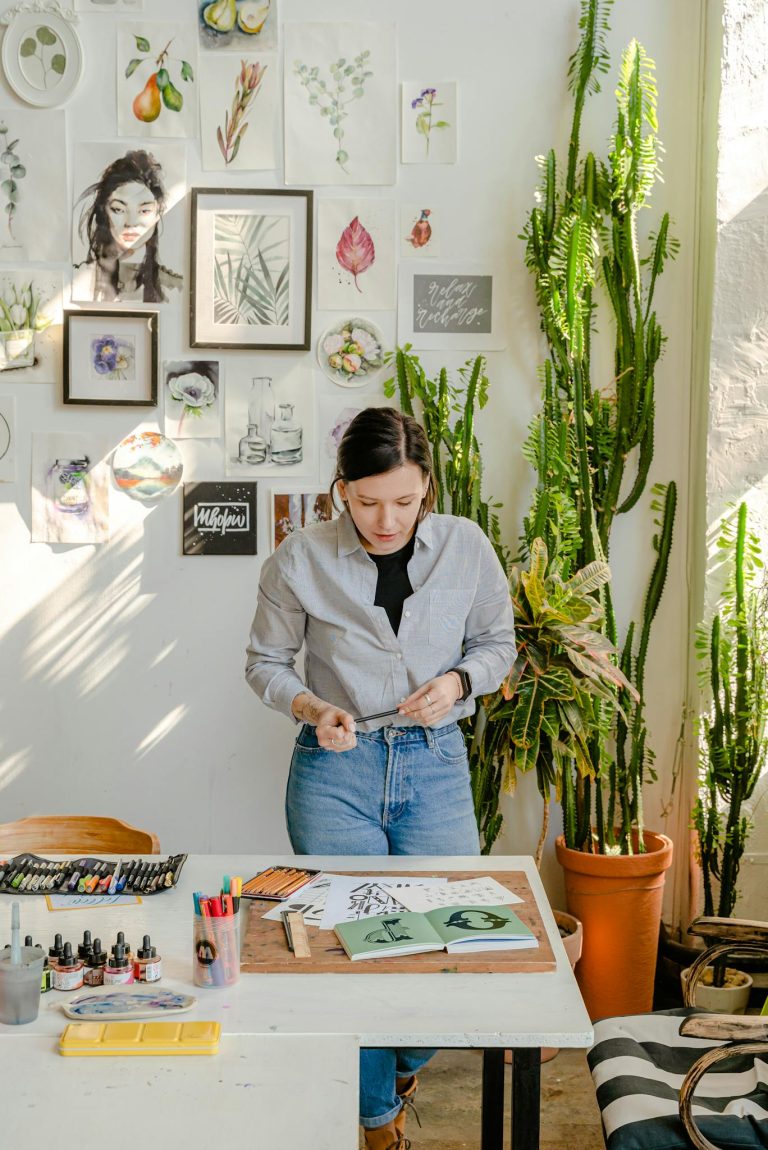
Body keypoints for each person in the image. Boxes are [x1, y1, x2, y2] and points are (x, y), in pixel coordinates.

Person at [245, 406, 516, 1150]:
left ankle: (397, 1070)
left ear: (427, 486)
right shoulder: (299, 559)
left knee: (450, 942)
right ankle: (376, 1123)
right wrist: (312, 706)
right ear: (342, 490)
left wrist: (458, 682)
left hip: (435, 765)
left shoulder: (465, 546)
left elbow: (498, 644)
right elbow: (265, 664)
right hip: (336, 769)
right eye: (367, 502)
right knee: (349, 950)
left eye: (404, 500)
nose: (386, 520)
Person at [74, 149, 182, 303]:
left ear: (158, 212)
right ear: (104, 211)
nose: (131, 222)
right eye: (119, 209)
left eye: (144, 210)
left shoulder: (174, 287)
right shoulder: (81, 281)